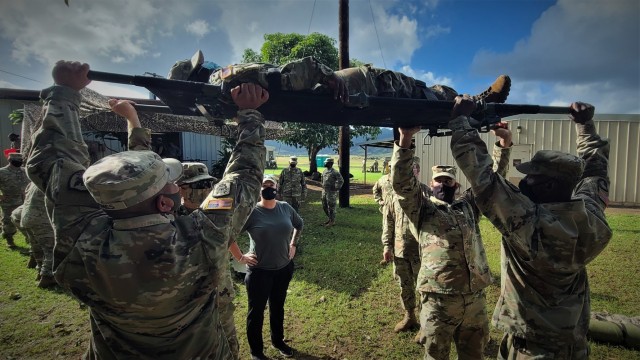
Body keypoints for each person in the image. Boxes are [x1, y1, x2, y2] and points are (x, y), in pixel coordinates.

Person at [26, 60, 269, 359]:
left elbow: (54, 164)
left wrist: (66, 92)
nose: (177, 186)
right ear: (165, 204)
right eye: (171, 184)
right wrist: (249, 112)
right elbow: (243, 176)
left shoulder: (78, 241)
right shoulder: (199, 240)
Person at [448, 96, 612, 359]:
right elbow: (595, 173)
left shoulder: (529, 224)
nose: (524, 180)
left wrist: (460, 121)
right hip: (571, 343)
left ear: (547, 186)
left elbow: (483, 179)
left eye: (531, 176)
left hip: (533, 348)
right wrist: (585, 126)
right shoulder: (591, 218)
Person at [393, 122, 513, 359]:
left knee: (474, 355)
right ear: (431, 184)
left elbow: (492, 183)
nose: (443, 185)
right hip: (438, 301)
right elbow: (402, 183)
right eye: (438, 180)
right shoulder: (422, 209)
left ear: (456, 184)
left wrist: (504, 144)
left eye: (448, 181)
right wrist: (406, 140)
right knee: (436, 355)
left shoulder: (468, 206)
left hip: (474, 299)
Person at [169, 50, 511, 106]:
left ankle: (470, 98)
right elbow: (291, 73)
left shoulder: (216, 99)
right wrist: (330, 77)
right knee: (408, 87)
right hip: (337, 85)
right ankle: (477, 100)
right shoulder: (226, 77)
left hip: (320, 95)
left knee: (412, 91)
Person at [228, 174, 303, 360]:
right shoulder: (252, 212)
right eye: (264, 185)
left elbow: (299, 225)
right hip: (259, 273)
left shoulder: (285, 208)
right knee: (256, 313)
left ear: (277, 187)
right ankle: (256, 352)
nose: (268, 187)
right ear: (259, 189)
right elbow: (229, 234)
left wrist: (293, 245)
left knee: (278, 307)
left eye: (271, 184)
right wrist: (240, 256)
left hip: (283, 269)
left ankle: (278, 341)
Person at [381, 157, 422, 334]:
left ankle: (426, 323)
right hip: (400, 250)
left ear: (417, 172)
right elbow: (388, 222)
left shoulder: (426, 194)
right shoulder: (392, 196)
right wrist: (386, 246)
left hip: (422, 253)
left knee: (424, 288)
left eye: (411, 170)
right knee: (404, 285)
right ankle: (409, 316)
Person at [0, 152, 29, 248]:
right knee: (8, 221)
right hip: (9, 202)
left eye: (20, 161)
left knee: (26, 221)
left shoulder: (25, 171)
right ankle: (9, 240)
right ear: (10, 160)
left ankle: (29, 238)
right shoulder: (2, 172)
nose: (19, 162)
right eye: (16, 161)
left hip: (24, 201)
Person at [321, 157, 344, 227]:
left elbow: (341, 181)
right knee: (324, 206)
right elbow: (322, 179)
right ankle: (330, 218)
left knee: (331, 207)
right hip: (324, 191)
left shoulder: (335, 172)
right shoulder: (324, 171)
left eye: (326, 162)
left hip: (331, 192)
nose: (324, 163)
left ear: (330, 163)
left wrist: (336, 187)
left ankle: (332, 221)